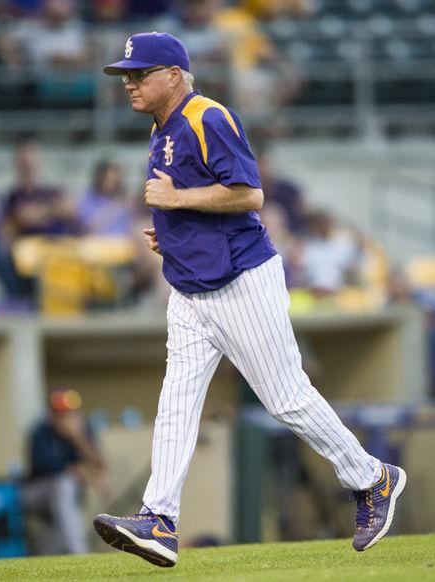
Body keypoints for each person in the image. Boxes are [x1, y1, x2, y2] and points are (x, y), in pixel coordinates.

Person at [93, 32, 406, 568]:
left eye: (139, 73)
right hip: (191, 287)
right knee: (176, 403)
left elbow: (247, 193)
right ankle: (159, 520)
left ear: (173, 73)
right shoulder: (163, 125)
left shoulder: (207, 116)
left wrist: (175, 201)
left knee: (286, 398)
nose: (129, 83)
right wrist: (170, 230)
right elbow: (196, 202)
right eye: (126, 75)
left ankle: (373, 479)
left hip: (239, 280)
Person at [22, 389, 108, 556]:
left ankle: (57, 557)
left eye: (69, 412)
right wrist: (74, 470)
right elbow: (43, 465)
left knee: (50, 546)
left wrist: (77, 437)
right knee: (64, 484)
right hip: (36, 492)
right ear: (51, 414)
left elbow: (99, 463)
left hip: (64, 497)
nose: (65, 417)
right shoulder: (41, 431)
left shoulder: (82, 430)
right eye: (60, 413)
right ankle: (79, 552)